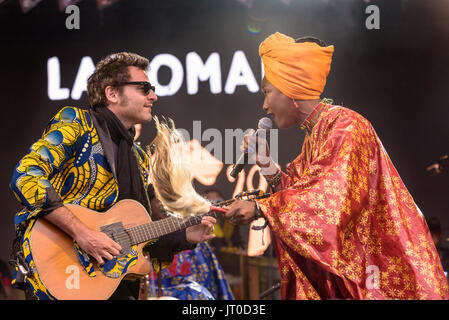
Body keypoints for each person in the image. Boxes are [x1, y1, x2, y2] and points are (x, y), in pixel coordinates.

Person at [225, 32, 449, 299]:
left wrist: (261, 209)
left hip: (377, 280)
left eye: (267, 92)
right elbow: (302, 194)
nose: (264, 105)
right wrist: (267, 164)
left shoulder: (347, 127)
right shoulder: (318, 134)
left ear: (291, 88)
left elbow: (325, 206)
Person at [9, 52, 216, 300]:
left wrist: (183, 236)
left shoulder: (138, 157)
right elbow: (26, 174)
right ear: (112, 93)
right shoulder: (77, 124)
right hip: (61, 270)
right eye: (144, 88)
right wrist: (82, 233)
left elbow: (140, 232)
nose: (153, 95)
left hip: (111, 283)